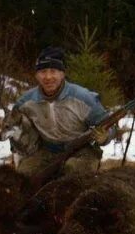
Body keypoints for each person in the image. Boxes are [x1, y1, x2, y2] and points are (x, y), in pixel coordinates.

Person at [7, 46, 112, 177]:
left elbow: (109, 126)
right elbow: (12, 128)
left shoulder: (84, 98)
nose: (48, 77)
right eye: (43, 71)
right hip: (46, 151)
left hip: (81, 151)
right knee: (24, 176)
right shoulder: (25, 102)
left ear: (62, 73)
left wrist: (105, 137)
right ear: (36, 75)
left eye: (53, 71)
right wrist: (18, 149)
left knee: (72, 172)